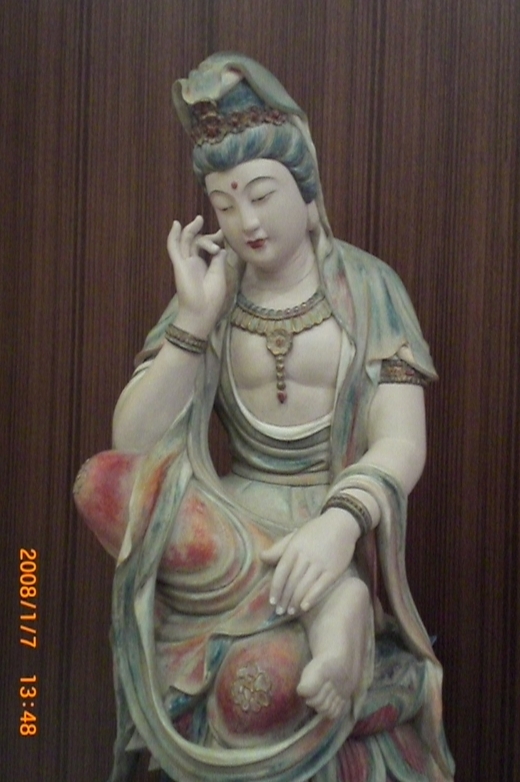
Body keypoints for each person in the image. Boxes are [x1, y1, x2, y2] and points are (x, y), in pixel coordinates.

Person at [75, 52, 454, 781]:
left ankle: (340, 609)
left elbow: (403, 442)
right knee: (100, 482)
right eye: (224, 204)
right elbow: (133, 443)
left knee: (251, 696)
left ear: (305, 192)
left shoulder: (369, 288)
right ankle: (331, 608)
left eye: (261, 194)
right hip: (229, 530)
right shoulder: (214, 292)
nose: (246, 222)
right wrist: (194, 320)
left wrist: (339, 526)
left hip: (326, 524)